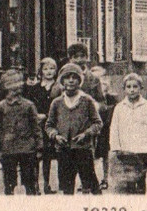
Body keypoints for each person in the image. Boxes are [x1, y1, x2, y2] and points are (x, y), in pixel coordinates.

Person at [46, 63, 102, 195]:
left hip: (83, 150)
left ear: (79, 81)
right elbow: (49, 125)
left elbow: (97, 123)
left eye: (74, 77)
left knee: (91, 186)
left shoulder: (86, 101)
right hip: (64, 151)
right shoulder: (57, 103)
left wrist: (86, 134)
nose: (71, 80)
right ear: (62, 81)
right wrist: (55, 136)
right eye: (67, 77)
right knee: (67, 188)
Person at [0, 68, 43, 196]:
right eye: (12, 87)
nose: (16, 90)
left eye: (19, 86)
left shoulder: (29, 105)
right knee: (9, 183)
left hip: (27, 149)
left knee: (30, 182)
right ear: (6, 88)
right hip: (8, 150)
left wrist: (39, 146)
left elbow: (36, 127)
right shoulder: (0, 107)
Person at [108, 73, 147, 194]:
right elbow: (114, 128)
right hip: (126, 150)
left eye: (135, 87)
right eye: (129, 87)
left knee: (141, 179)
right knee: (129, 181)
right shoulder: (119, 107)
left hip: (143, 149)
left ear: (140, 88)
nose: (132, 90)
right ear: (124, 89)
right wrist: (115, 147)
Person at [26, 57, 58, 194]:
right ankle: (35, 185)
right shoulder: (35, 88)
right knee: (35, 156)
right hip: (37, 124)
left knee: (47, 156)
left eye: (51, 69)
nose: (48, 72)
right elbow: (30, 104)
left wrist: (47, 115)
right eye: (45, 69)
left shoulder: (58, 87)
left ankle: (46, 184)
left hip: (49, 124)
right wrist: (35, 116)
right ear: (41, 71)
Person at [90, 65, 117, 191]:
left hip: (106, 127)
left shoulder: (111, 97)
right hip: (91, 128)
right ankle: (90, 179)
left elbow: (114, 113)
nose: (101, 83)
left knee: (105, 154)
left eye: (103, 79)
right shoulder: (89, 98)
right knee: (91, 154)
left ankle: (105, 178)